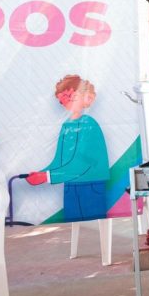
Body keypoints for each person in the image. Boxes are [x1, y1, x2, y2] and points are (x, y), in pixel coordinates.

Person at [25, 76, 110, 222]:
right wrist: (43, 173)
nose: (66, 102)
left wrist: (47, 176)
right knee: (72, 224)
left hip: (90, 183)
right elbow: (60, 160)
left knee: (94, 225)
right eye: (62, 100)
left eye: (71, 97)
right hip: (71, 183)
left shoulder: (89, 124)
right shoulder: (66, 125)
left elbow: (83, 163)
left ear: (86, 97)